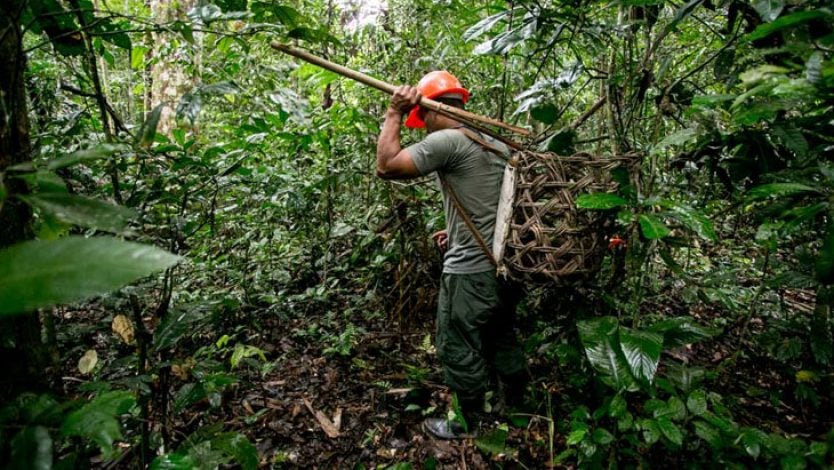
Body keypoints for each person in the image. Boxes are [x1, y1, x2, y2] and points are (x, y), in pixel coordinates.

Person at [375, 71, 527, 439]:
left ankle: (467, 420)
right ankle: (518, 405)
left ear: (435, 108)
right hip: (506, 264)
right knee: (500, 333)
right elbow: (494, 203)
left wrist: (394, 113)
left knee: (455, 342)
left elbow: (387, 166)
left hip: (470, 272)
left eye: (423, 118)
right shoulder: (495, 142)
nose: (423, 126)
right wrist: (456, 227)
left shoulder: (448, 140)